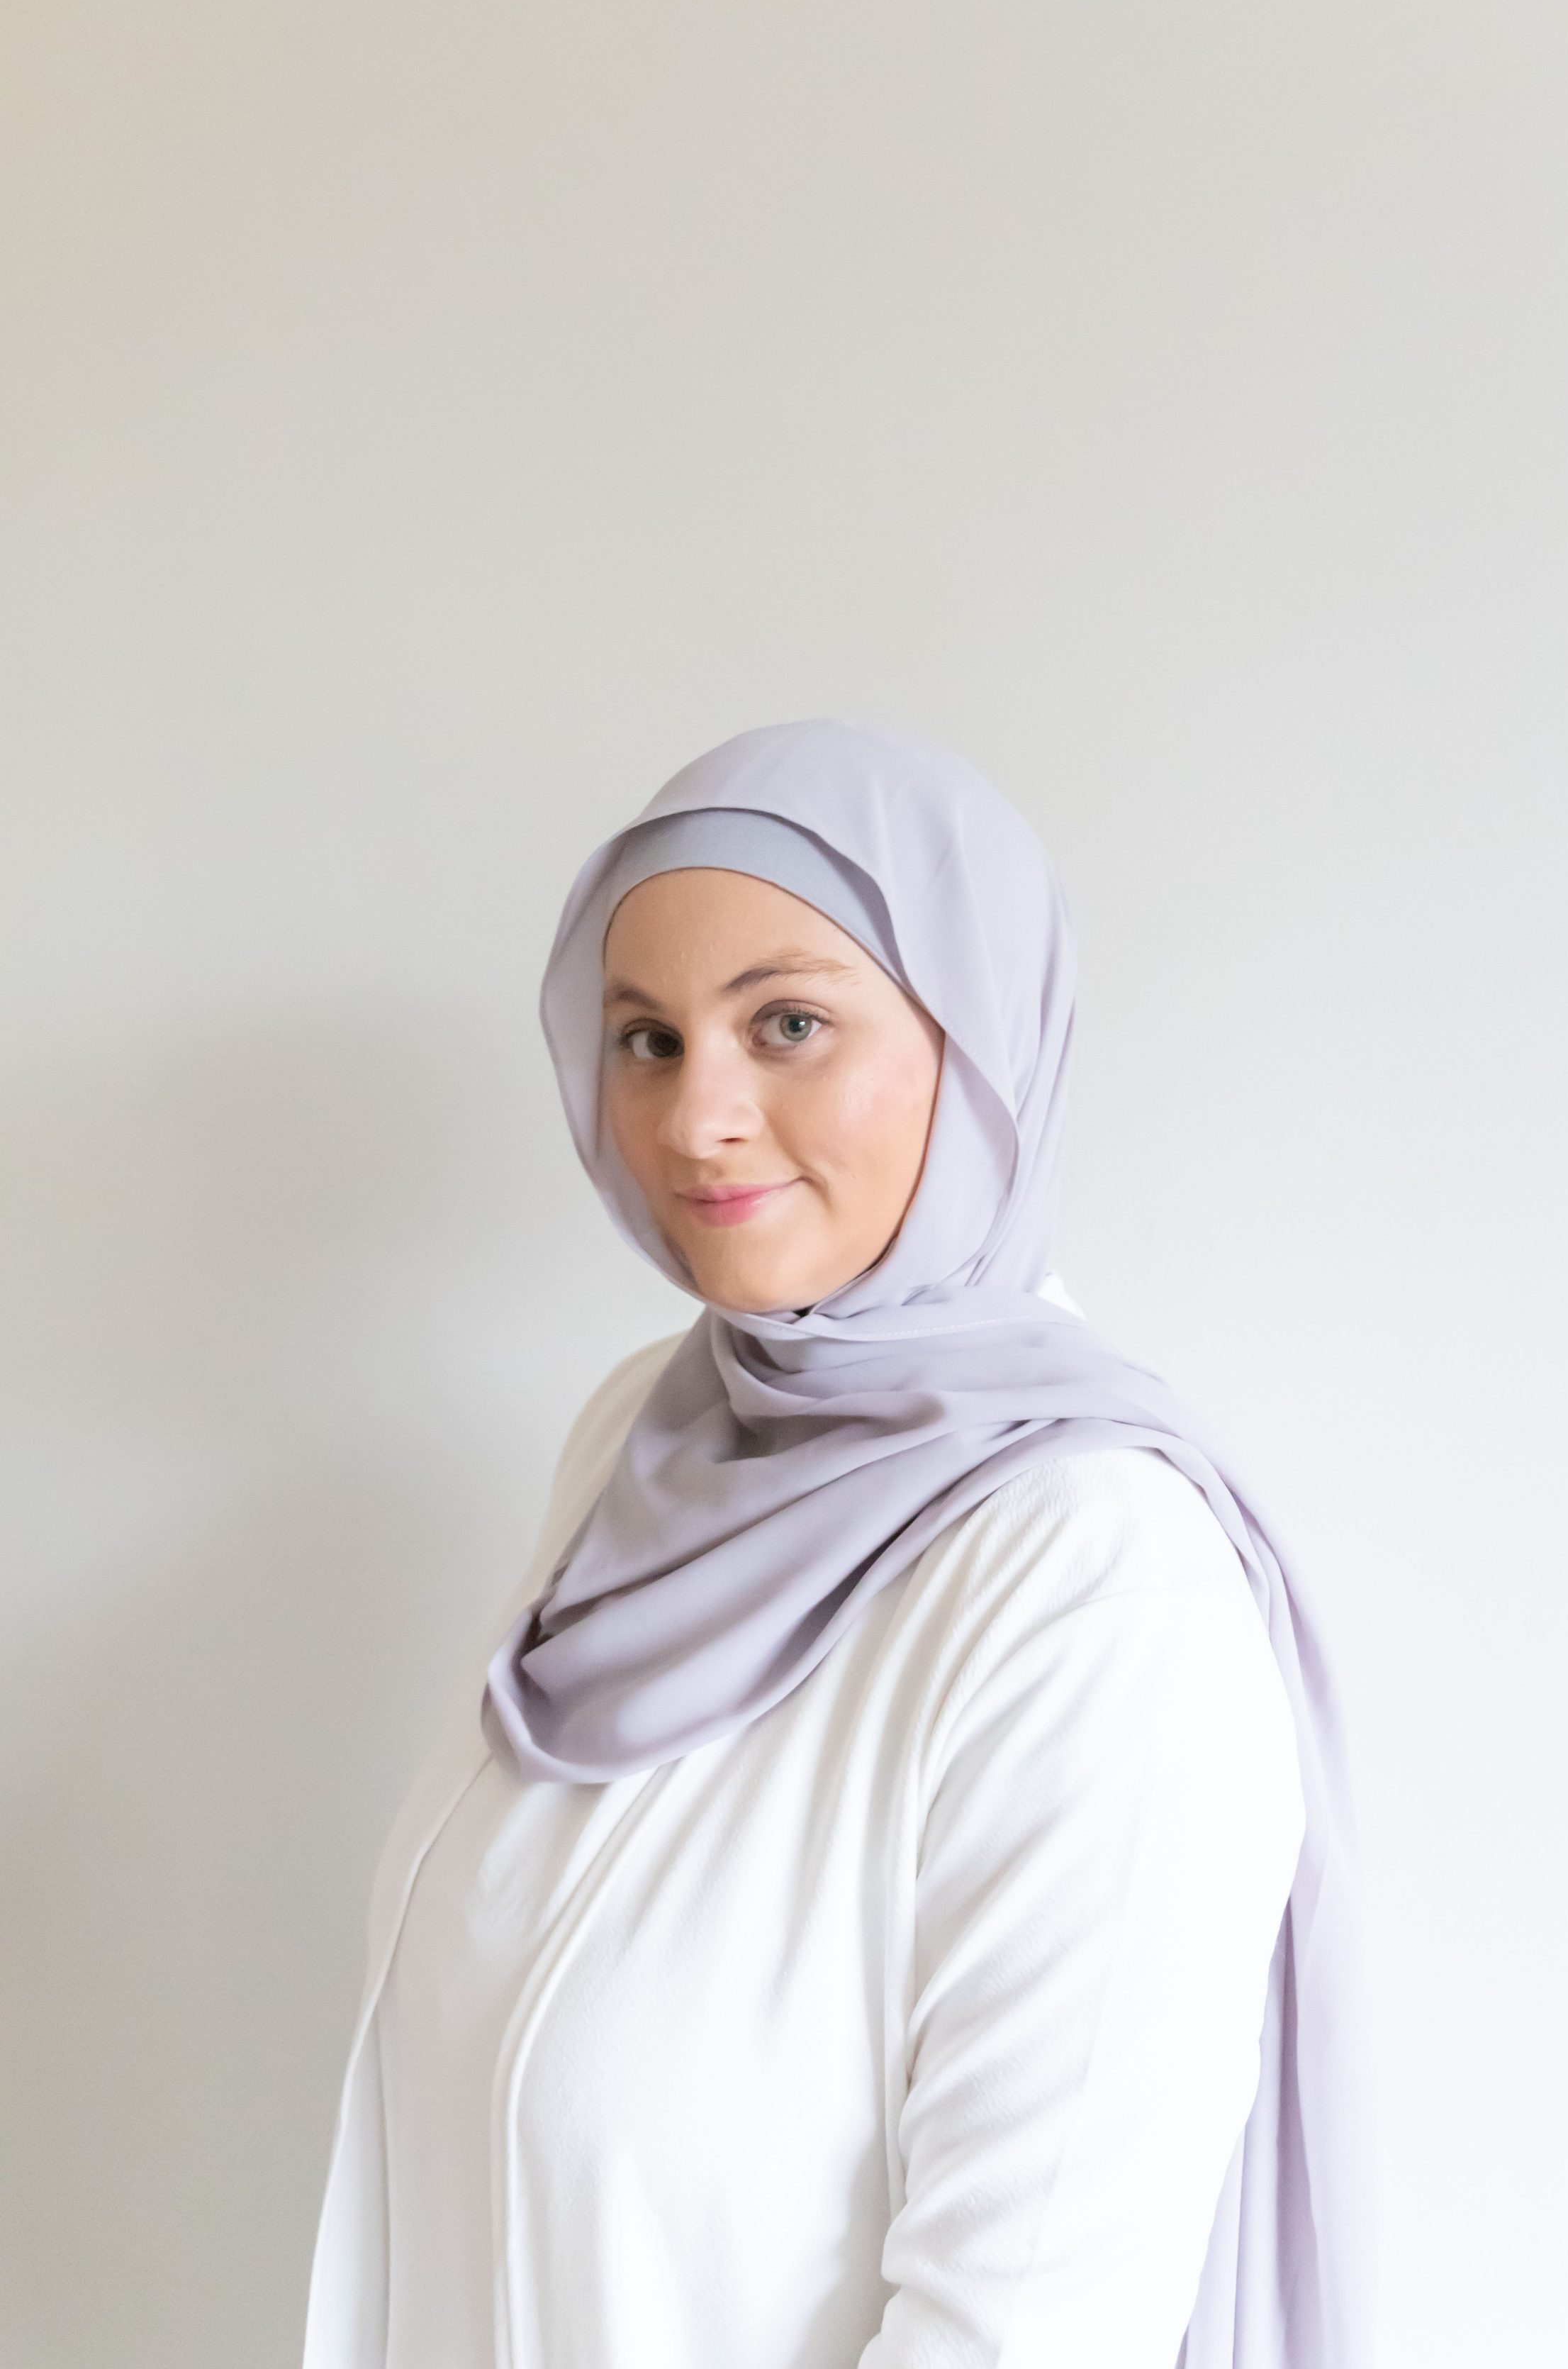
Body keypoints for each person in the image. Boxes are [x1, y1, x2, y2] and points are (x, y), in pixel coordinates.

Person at [303, 720, 1371, 2369]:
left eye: (787, 1024)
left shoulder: (1093, 1572)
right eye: (645, 1039)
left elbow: (1024, 2331)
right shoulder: (641, 1437)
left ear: (980, 1044)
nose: (696, 1120)